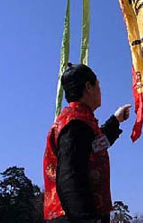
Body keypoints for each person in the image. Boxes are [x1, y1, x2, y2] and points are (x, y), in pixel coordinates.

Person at [43, 63, 132, 223]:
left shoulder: (80, 120)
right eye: (98, 85)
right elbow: (70, 176)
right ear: (88, 87)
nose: (100, 91)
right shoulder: (74, 124)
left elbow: (96, 145)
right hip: (74, 217)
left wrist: (116, 120)